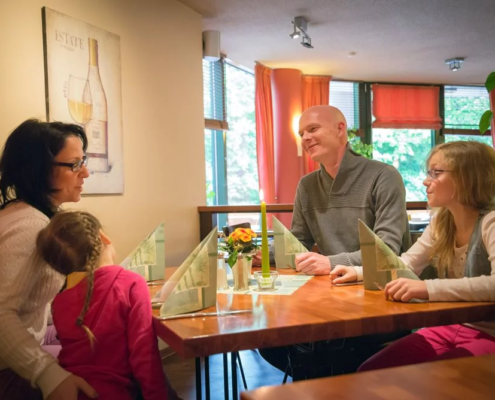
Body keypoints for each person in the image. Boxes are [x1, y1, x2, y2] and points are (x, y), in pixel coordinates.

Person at [258, 105, 411, 377]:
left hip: (380, 295)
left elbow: (387, 251)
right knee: (268, 339)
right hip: (333, 295)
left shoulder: (383, 176)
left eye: (313, 129)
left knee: (319, 352)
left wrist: (329, 262)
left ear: (341, 130)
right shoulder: (307, 185)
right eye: (301, 133)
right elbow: (298, 243)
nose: (305, 138)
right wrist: (258, 254)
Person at [334, 141, 495, 371]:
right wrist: (359, 272)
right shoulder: (442, 222)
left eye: (436, 173)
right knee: (371, 372)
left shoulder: (491, 221)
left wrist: (427, 289)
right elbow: (406, 263)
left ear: (468, 177)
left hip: (490, 335)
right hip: (451, 326)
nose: (426, 181)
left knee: (432, 381)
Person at [0, 119, 96, 399]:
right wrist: (48, 374)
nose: (86, 173)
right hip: (11, 372)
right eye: (75, 164)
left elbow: (30, 305)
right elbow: (2, 313)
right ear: (40, 171)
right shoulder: (31, 227)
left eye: (84, 161)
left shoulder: (24, 214)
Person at [37, 210, 179, 400]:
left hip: (70, 390)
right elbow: (144, 357)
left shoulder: (60, 300)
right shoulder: (131, 283)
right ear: (103, 237)